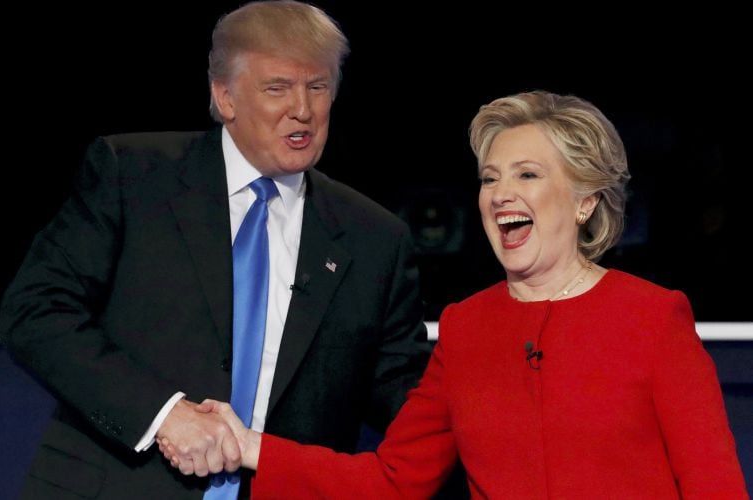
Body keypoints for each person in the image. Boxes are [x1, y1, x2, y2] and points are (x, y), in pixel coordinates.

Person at [168, 90, 749, 498]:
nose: (500, 194)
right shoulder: (467, 328)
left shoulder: (653, 318)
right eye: (490, 178)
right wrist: (251, 447)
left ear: (584, 202)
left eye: (527, 174)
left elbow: (715, 489)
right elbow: (391, 482)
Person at [0, 1, 431, 498]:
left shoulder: (374, 237)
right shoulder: (133, 176)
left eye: (318, 87)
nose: (303, 109)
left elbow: (406, 397)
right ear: (225, 97)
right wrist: (163, 413)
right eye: (277, 88)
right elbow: (36, 312)